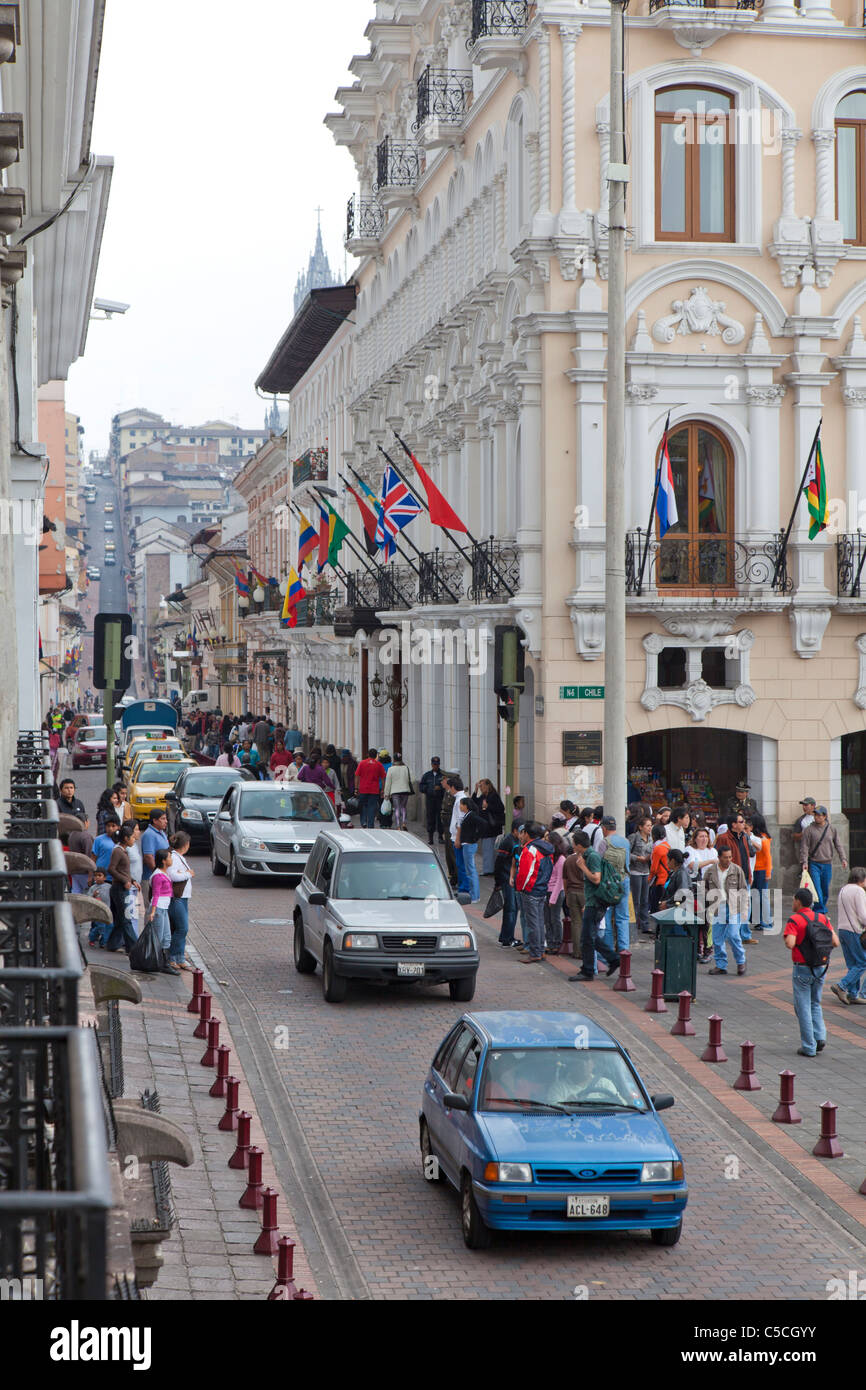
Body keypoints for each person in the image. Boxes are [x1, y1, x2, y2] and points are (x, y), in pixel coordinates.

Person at [784, 886, 839, 1056]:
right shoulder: (822, 918)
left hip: (802, 968)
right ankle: (820, 1036)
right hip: (820, 968)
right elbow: (835, 942)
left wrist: (789, 937)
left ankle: (809, 1046)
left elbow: (790, 944)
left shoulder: (794, 919)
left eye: (794, 900)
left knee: (803, 1007)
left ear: (798, 901)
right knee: (815, 1003)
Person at [568, 830, 621, 983]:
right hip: (592, 901)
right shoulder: (589, 855)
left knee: (587, 937)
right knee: (589, 936)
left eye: (573, 843)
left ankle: (589, 970)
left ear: (578, 845)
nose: (572, 846)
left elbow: (596, 879)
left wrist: (582, 867)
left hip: (596, 902)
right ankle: (610, 959)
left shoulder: (591, 857)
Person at [703, 845, 748, 977]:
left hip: (733, 907)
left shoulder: (737, 870)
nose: (728, 860)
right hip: (717, 907)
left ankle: (741, 961)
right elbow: (703, 888)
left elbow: (744, 890)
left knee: (734, 935)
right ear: (719, 857)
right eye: (725, 857)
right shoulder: (711, 871)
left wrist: (745, 909)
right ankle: (721, 965)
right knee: (717, 938)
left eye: (730, 857)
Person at [514, 822, 555, 963]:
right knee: (539, 921)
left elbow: (524, 873)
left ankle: (535, 952)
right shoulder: (546, 849)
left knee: (533, 923)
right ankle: (540, 950)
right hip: (542, 888)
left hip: (531, 890)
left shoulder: (530, 849)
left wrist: (519, 887)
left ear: (526, 833)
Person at [799, 806, 847, 915]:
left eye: (819, 815)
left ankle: (819, 910)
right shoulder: (809, 830)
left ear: (825, 816)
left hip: (827, 864)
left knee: (825, 890)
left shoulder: (832, 829)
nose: (816, 817)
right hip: (814, 863)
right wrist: (805, 862)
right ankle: (820, 912)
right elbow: (804, 847)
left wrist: (843, 858)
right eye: (815, 815)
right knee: (817, 890)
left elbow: (838, 845)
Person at [829, 867, 866, 1006]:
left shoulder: (844, 889)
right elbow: (863, 915)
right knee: (862, 962)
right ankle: (842, 986)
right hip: (854, 930)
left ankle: (853, 994)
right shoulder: (859, 891)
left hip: (842, 929)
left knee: (852, 964)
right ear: (861, 879)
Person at [106, 822, 140, 953]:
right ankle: (135, 947)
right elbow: (111, 869)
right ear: (126, 838)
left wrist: (132, 880)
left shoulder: (123, 851)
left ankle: (112, 944)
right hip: (119, 888)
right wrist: (125, 880)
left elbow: (123, 870)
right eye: (132, 837)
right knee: (126, 919)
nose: (134, 839)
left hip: (123, 886)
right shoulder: (118, 851)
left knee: (121, 919)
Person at [147, 848, 180, 974]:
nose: (171, 859)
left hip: (164, 908)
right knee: (159, 937)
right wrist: (153, 912)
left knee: (167, 937)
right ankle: (154, 962)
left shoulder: (164, 873)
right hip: (159, 909)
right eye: (170, 857)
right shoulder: (158, 876)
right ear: (164, 861)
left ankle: (163, 963)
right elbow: (156, 894)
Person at [600, 816, 631, 952]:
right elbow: (628, 863)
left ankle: (608, 950)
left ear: (604, 828)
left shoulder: (604, 842)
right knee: (623, 917)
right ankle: (624, 950)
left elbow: (597, 864)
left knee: (606, 917)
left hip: (608, 884)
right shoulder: (626, 842)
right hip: (624, 880)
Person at [166, 831, 194, 972]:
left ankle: (180, 957)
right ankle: (173, 957)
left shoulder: (179, 857)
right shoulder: (175, 858)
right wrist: (188, 874)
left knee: (180, 928)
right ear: (186, 844)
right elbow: (172, 875)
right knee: (182, 928)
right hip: (176, 898)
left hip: (183, 897)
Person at [494, 821, 521, 948]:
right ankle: (506, 938)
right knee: (511, 908)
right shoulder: (508, 842)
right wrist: (498, 881)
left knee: (513, 908)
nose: (523, 834)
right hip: (507, 879)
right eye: (521, 831)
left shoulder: (517, 842)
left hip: (513, 879)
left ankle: (508, 936)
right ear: (515, 831)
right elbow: (499, 862)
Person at [455, 796, 485, 903]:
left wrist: (475, 837)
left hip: (469, 845)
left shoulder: (471, 815)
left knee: (471, 871)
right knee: (470, 870)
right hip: (466, 844)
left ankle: (474, 896)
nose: (460, 806)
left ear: (466, 806)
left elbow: (483, 824)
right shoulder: (467, 815)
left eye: (461, 804)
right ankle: (474, 895)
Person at [628, 814, 653, 937]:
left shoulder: (651, 839)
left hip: (646, 871)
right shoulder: (634, 837)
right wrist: (638, 858)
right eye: (647, 825)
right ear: (640, 827)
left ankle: (645, 924)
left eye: (650, 826)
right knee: (636, 899)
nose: (649, 828)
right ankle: (634, 923)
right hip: (635, 871)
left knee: (645, 899)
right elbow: (627, 853)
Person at [748, 811, 773, 936]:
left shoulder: (763, 838)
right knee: (756, 896)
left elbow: (768, 857)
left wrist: (768, 872)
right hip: (756, 869)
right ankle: (759, 920)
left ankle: (767, 922)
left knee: (763, 896)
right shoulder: (757, 837)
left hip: (762, 870)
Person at [562, 837, 587, 958]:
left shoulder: (568, 860)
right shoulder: (587, 859)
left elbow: (565, 880)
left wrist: (566, 895)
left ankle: (577, 951)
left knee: (576, 923)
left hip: (572, 892)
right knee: (587, 923)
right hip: (584, 893)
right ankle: (585, 950)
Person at [715, 812, 753, 887]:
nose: (744, 824)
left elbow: (747, 857)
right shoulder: (723, 838)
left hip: (744, 877)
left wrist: (750, 876)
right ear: (734, 824)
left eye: (744, 822)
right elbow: (721, 859)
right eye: (741, 822)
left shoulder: (744, 837)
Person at [544, 833, 567, 955]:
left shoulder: (561, 859)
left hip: (556, 892)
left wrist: (553, 898)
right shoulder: (548, 856)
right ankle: (550, 942)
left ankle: (557, 943)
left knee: (555, 918)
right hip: (546, 891)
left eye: (548, 841)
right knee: (547, 919)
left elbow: (560, 881)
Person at [140, 809, 170, 894]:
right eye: (163, 819)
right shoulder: (149, 834)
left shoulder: (161, 832)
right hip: (151, 877)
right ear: (155, 821)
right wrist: (157, 874)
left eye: (166, 819)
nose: (166, 821)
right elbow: (148, 857)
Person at [355, 748, 385, 828]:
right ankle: (370, 824)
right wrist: (382, 790)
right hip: (374, 790)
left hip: (363, 789)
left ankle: (363, 821)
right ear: (376, 756)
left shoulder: (362, 763)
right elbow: (383, 778)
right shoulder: (379, 765)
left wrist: (356, 788)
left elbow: (357, 776)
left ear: (368, 754)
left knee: (363, 806)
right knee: (372, 807)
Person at [440, 776, 461, 887]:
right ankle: (452, 875)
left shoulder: (456, 797)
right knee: (448, 853)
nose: (441, 782)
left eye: (443, 780)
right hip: (447, 826)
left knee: (452, 853)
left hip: (451, 827)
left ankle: (456, 876)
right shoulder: (447, 793)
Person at [450, 788, 471, 896]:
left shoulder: (460, 800)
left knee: (461, 864)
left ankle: (464, 887)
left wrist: (457, 838)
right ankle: (463, 885)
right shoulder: (459, 799)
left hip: (459, 838)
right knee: (460, 863)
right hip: (457, 837)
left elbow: (460, 822)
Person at [384, 754, 413, 830]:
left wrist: (386, 793)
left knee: (397, 808)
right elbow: (410, 779)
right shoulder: (405, 768)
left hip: (395, 791)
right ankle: (403, 822)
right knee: (403, 807)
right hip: (405, 790)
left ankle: (398, 825)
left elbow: (388, 782)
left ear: (394, 759)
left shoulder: (391, 769)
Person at [419, 758, 444, 846]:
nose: (435, 766)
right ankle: (430, 837)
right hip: (430, 800)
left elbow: (447, 787)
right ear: (431, 765)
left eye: (437, 764)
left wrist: (440, 788)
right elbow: (421, 787)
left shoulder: (442, 775)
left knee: (440, 818)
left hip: (440, 799)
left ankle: (441, 836)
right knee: (430, 818)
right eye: (434, 764)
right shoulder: (427, 775)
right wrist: (428, 789)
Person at [87, 867, 112, 947]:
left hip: (107, 910)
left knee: (110, 926)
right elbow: (88, 897)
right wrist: (93, 895)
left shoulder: (108, 886)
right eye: (95, 875)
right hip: (97, 911)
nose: (97, 877)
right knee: (100, 926)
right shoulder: (93, 887)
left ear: (104, 877)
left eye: (99, 875)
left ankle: (103, 942)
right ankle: (92, 938)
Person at [649, 824, 670, 915]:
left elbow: (654, 868)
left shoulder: (657, 848)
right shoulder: (667, 845)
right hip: (667, 879)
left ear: (653, 835)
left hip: (660, 880)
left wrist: (649, 879)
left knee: (656, 906)